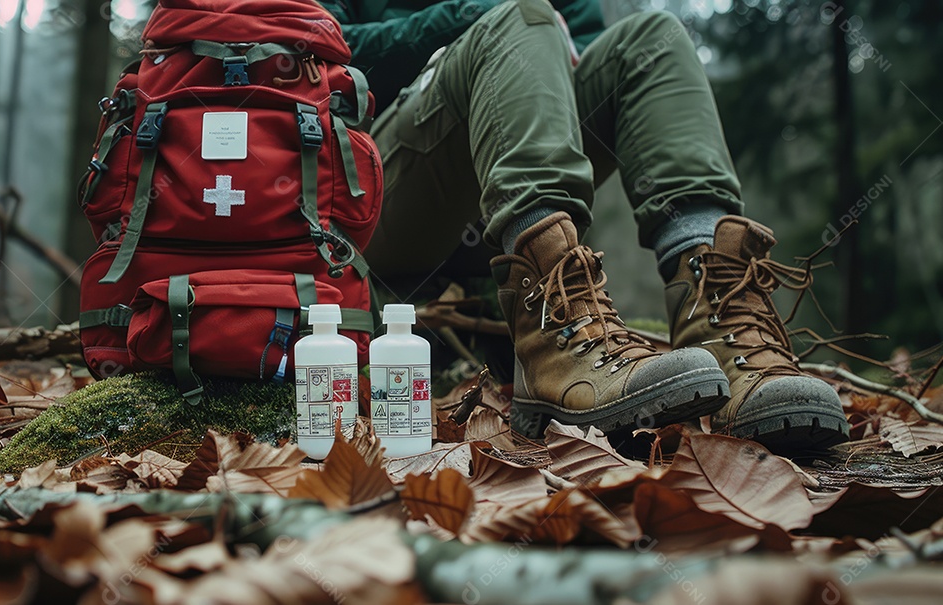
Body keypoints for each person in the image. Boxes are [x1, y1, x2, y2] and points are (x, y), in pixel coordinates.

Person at [319, 0, 850, 454]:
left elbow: (587, 54)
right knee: (521, 17)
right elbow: (320, 51)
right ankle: (554, 329)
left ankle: (720, 323)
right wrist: (480, 18)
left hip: (506, 177)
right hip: (384, 189)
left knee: (652, 39)